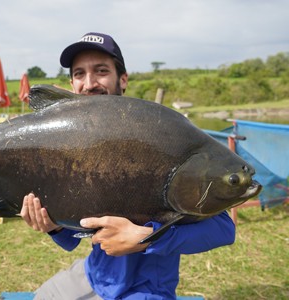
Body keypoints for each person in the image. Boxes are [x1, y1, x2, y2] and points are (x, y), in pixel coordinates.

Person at [20, 32, 236, 299]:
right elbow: (83, 225)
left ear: (123, 78)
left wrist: (147, 237)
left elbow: (224, 230)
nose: (89, 83)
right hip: (95, 274)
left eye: (100, 71)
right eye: (79, 74)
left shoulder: (163, 136)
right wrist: (54, 226)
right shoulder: (80, 142)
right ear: (71, 84)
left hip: (145, 290)